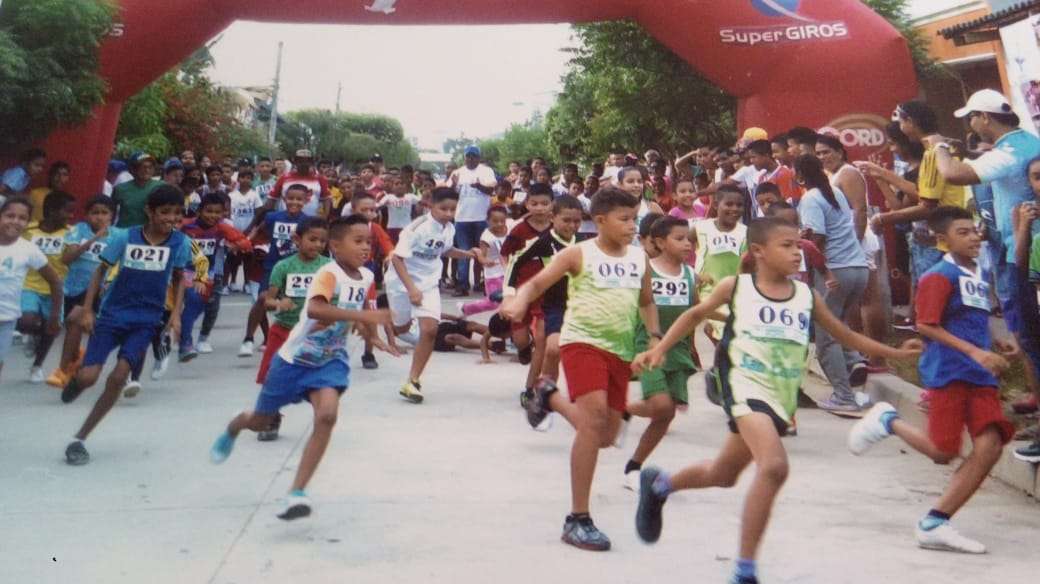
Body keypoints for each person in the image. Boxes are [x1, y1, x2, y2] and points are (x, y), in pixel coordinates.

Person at [631, 217, 920, 584]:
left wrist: (895, 356)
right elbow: (694, 314)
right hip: (743, 386)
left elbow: (847, 335)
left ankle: (659, 486)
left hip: (779, 395)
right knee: (774, 466)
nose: (797, 252)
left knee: (723, 474)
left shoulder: (807, 296)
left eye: (798, 245)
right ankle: (744, 570)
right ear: (758, 251)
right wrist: (659, 349)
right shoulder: (736, 287)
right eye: (787, 245)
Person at [849, 206, 1016, 554]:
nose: (973, 238)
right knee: (943, 452)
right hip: (949, 373)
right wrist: (974, 352)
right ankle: (887, 420)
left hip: (980, 377)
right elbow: (926, 324)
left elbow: (972, 316)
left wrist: (995, 341)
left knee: (990, 446)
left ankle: (935, 521)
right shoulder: (939, 276)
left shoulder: (978, 273)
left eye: (974, 231)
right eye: (963, 232)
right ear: (943, 240)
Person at [502, 187, 661, 552]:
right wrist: (518, 300)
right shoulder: (578, 253)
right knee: (591, 426)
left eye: (634, 218)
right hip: (582, 343)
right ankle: (578, 518)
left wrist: (654, 339)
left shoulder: (639, 259)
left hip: (620, 351)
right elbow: (539, 282)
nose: (631, 226)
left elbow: (647, 302)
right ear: (601, 221)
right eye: (624, 219)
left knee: (606, 436)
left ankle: (548, 394)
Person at [209, 215, 396, 520]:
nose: (365, 248)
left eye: (369, 242)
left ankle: (296, 492)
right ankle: (236, 425)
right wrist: (365, 320)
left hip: (330, 360)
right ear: (335, 246)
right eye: (358, 241)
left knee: (327, 415)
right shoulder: (328, 273)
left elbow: (360, 311)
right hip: (294, 359)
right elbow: (315, 308)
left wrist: (374, 336)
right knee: (259, 420)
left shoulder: (366, 276)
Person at [929, 90, 1040, 442]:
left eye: (972, 118)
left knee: (1028, 331)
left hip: (1021, 252)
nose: (971, 125)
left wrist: (938, 147)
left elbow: (953, 174)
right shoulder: (1026, 144)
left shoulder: (1009, 152)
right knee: (1025, 330)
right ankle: (1035, 396)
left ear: (985, 118)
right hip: (1018, 246)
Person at [61, 185, 193, 465]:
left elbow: (181, 277)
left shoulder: (180, 242)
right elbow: (100, 270)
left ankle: (80, 438)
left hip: (146, 320)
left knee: (119, 377)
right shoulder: (126, 236)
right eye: (164, 212)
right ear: (149, 211)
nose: (170, 218)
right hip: (112, 316)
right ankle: (76, 380)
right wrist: (87, 309)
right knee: (88, 378)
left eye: (177, 213)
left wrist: (177, 313)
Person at [622, 216, 698, 491]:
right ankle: (626, 414)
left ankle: (634, 465)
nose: (687, 244)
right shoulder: (645, 271)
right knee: (663, 406)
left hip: (677, 349)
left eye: (688, 238)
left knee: (665, 415)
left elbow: (696, 312)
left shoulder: (691, 275)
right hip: (648, 345)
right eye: (679, 238)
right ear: (660, 242)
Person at [385, 187, 475, 403]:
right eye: (443, 208)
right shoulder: (416, 228)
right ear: (430, 206)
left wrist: (468, 254)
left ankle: (412, 381)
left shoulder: (449, 228)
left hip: (428, 284)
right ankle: (392, 322)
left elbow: (444, 250)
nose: (448, 213)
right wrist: (411, 289)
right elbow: (396, 259)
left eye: (452, 209)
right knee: (402, 328)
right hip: (401, 282)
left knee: (430, 330)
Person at [795, 154, 870, 412]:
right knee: (839, 326)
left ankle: (844, 397)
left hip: (836, 272)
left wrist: (796, 247)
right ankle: (855, 359)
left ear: (799, 176)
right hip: (859, 269)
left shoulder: (810, 198)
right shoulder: (835, 193)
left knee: (826, 337)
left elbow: (817, 238)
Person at [253, 217, 332, 441]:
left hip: (314, 333)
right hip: (283, 330)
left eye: (322, 241)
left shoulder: (327, 267)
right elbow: (267, 301)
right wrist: (279, 303)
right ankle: (271, 417)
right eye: (312, 239)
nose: (317, 245)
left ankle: (323, 419)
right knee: (271, 375)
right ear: (297, 239)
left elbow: (334, 299)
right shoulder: (283, 266)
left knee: (319, 379)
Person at [503, 196, 583, 410]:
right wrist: (509, 294)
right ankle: (533, 390)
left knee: (578, 353)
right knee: (550, 350)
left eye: (577, 221)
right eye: (566, 220)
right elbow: (515, 261)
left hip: (582, 306)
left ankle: (556, 394)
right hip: (553, 305)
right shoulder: (544, 242)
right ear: (552, 218)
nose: (572, 226)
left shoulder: (585, 242)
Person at [46, 196, 116, 388]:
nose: (99, 217)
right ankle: (75, 360)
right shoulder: (78, 230)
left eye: (104, 213)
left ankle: (63, 370)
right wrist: (94, 238)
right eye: (95, 213)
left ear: (112, 216)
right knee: (73, 326)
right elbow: (67, 259)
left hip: (102, 290)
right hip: (74, 287)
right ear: (87, 215)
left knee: (78, 321)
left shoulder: (119, 235)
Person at [238, 185, 310, 357]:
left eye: (299, 199)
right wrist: (247, 242)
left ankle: (298, 341)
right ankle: (248, 339)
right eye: (291, 198)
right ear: (284, 199)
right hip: (273, 266)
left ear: (306, 201)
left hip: (297, 268)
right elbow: (258, 229)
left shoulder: (307, 221)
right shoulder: (272, 217)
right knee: (263, 298)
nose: (294, 202)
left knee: (300, 305)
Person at [179, 193, 252, 358]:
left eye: (217, 212)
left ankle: (203, 339)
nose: (213, 216)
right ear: (199, 211)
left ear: (223, 214)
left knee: (212, 307)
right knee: (193, 303)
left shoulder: (222, 227)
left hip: (214, 273)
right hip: (188, 271)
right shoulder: (186, 226)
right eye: (209, 211)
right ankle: (185, 342)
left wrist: (234, 244)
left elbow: (245, 243)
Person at [0, 197, 59, 383]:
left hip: (6, 318)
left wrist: (55, 316)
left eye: (22, 218)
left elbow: (55, 282)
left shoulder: (28, 250)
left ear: (27, 222)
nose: (15, 221)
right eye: (10, 216)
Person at [19, 190, 74, 382]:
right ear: (51, 211)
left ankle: (37, 366)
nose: (70, 216)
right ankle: (33, 333)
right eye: (67, 211)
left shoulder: (70, 233)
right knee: (26, 321)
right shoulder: (28, 230)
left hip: (56, 288)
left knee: (53, 328)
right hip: (29, 284)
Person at [500, 183, 555, 374]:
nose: (539, 208)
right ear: (527, 204)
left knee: (543, 337)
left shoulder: (557, 228)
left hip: (547, 291)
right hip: (521, 291)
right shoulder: (518, 230)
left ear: (552, 204)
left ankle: (538, 373)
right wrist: (509, 283)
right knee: (520, 339)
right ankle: (524, 348)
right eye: (534, 203)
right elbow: (505, 254)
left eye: (544, 203)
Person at [692, 185, 748, 344]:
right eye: (729, 204)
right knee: (722, 332)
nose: (735, 209)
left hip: (735, 292)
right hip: (708, 291)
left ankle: (720, 364)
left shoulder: (746, 232)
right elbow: (677, 247)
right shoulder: (701, 228)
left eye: (739, 205)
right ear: (716, 205)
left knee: (731, 335)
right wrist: (691, 274)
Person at [1012, 158, 1040, 462]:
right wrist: (1025, 225)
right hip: (1031, 291)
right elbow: (1019, 258)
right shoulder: (1022, 210)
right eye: (1036, 177)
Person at [449, 145, 496, 297]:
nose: (470, 159)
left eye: (474, 156)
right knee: (464, 252)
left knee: (483, 253)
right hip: (462, 219)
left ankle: (484, 284)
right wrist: (455, 185)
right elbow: (450, 194)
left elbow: (491, 189)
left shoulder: (486, 171)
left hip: (481, 218)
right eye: (468, 156)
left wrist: (479, 186)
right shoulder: (457, 172)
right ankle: (462, 285)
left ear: (478, 158)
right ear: (464, 158)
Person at [461, 206, 509, 316]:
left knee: (510, 300)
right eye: (495, 221)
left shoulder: (510, 228)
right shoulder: (486, 237)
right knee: (493, 302)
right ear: (488, 221)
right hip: (494, 274)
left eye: (502, 221)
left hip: (509, 271)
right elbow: (482, 257)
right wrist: (485, 261)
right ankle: (466, 309)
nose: (499, 224)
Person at [225, 170, 264, 294]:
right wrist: (233, 230)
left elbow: (258, 214)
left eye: (248, 177)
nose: (245, 180)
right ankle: (230, 283)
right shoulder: (232, 195)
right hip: (234, 231)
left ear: (252, 180)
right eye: (243, 177)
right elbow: (228, 213)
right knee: (232, 257)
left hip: (249, 231)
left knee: (248, 258)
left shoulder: (254, 195)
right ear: (238, 179)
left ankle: (247, 283)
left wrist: (250, 229)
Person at [264, 150, 331, 218]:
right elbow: (272, 199)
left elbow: (326, 199)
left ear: (311, 162)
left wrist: (325, 216)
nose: (303, 163)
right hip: (287, 220)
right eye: (300, 160)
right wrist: (266, 217)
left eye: (307, 160)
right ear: (295, 162)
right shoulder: (284, 178)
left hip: (311, 221)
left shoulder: (320, 179)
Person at [112, 153, 161, 228]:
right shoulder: (120, 189)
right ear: (132, 169)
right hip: (124, 232)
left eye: (150, 167)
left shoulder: (161, 187)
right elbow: (111, 213)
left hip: (148, 233)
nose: (147, 170)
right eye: (142, 167)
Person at [378, 175, 421, 243]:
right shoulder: (388, 197)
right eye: (396, 184)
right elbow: (379, 206)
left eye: (402, 183)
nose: (399, 186)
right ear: (392, 187)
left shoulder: (410, 197)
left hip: (407, 227)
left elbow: (423, 202)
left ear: (406, 187)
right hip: (392, 227)